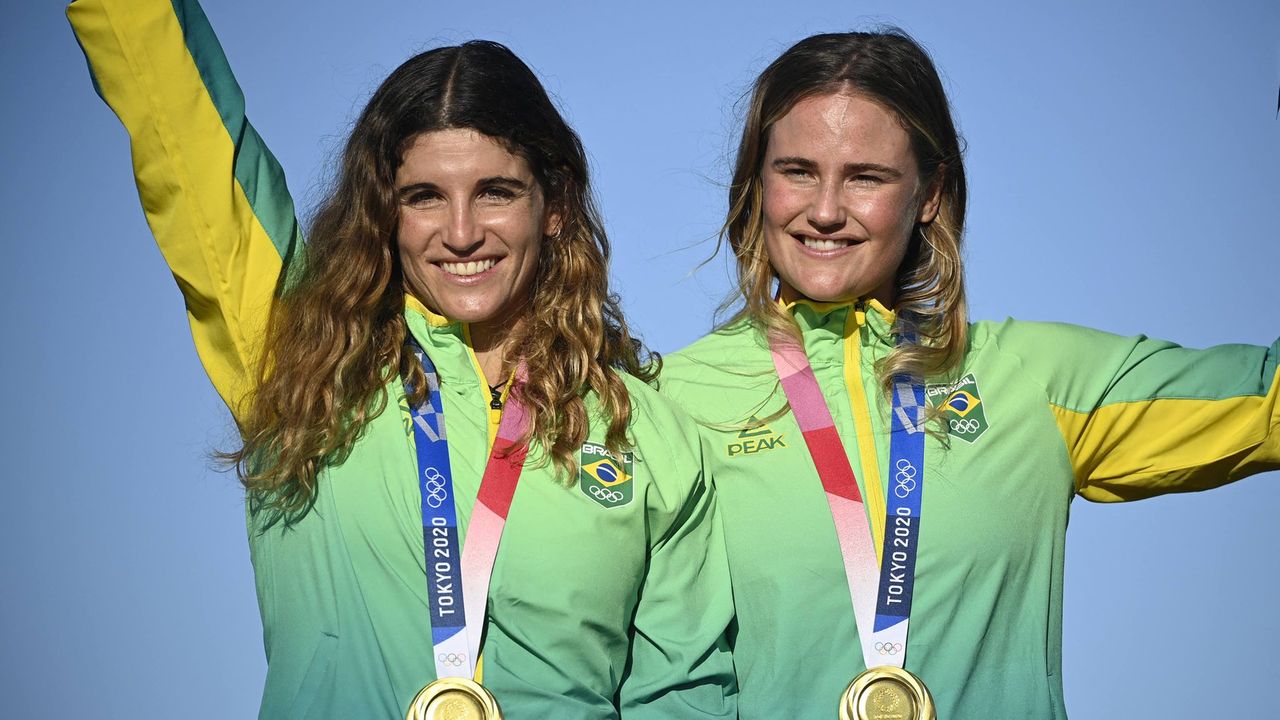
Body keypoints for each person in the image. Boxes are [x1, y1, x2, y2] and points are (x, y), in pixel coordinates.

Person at [67, 0, 736, 718]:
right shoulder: (301, 355)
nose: (460, 232)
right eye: (424, 197)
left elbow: (683, 697)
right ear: (383, 210)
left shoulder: (649, 435)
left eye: (496, 193)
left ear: (556, 204)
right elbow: (179, 119)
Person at [658, 29, 1279, 719]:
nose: (826, 210)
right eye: (797, 170)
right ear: (757, 182)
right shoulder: (672, 400)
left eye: (866, 176)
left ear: (929, 192)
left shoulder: (1032, 378)